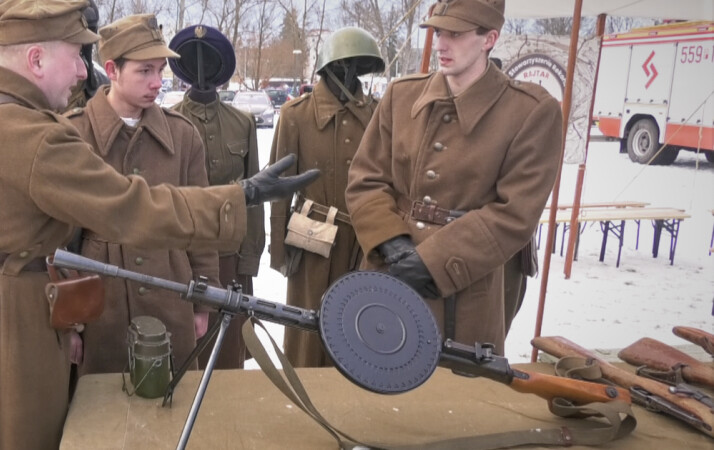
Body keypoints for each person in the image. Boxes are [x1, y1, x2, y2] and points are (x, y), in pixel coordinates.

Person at [0, 0, 318, 448]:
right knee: (8, 430)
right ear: (36, 60)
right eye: (75, 56)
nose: (80, 72)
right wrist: (240, 195)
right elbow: (132, 208)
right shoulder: (37, 136)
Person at [345, 0, 563, 354]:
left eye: (456, 34)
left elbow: (514, 215)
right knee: (376, 385)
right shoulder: (401, 96)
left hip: (467, 291)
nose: (442, 44)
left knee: (458, 398)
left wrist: (435, 263)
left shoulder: (531, 112)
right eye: (438, 32)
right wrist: (392, 243)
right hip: (388, 271)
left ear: (489, 38)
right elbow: (365, 179)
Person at [65, 14, 222, 376]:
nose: (157, 83)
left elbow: (199, 224)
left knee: (173, 404)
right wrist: (70, 321)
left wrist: (202, 301)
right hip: (99, 303)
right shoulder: (73, 135)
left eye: (161, 71)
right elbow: (60, 237)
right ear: (112, 70)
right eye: (145, 71)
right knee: (102, 413)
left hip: (171, 291)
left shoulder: (183, 136)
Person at [269, 27, 384, 368]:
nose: (350, 74)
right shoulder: (296, 115)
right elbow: (279, 187)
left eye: (357, 67)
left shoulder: (379, 115)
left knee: (359, 328)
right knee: (307, 329)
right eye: (344, 66)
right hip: (311, 241)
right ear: (327, 68)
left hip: (365, 241)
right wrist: (279, 248)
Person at [168, 24, 264, 369]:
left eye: (208, 64)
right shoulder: (170, 123)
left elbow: (254, 198)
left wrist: (250, 258)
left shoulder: (243, 123)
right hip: (184, 258)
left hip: (231, 258)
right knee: (186, 352)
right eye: (193, 64)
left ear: (220, 70)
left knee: (228, 354)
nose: (201, 73)